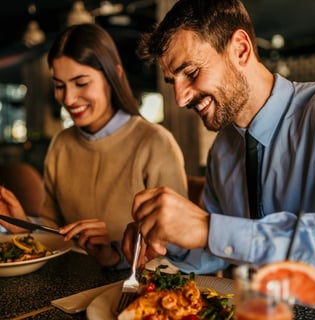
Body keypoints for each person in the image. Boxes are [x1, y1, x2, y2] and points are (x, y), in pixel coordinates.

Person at [122, 0, 315, 276]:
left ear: (240, 49)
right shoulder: (222, 151)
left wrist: (209, 229)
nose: (181, 99)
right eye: (174, 82)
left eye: (192, 72)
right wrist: (166, 236)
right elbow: (217, 252)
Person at [0, 23, 187, 268]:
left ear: (113, 75)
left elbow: (178, 247)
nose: (68, 98)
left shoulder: (154, 143)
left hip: (134, 291)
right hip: (68, 284)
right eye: (59, 85)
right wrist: (22, 225)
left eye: (81, 83)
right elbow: (56, 232)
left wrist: (115, 255)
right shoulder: (61, 144)